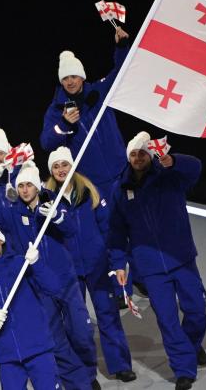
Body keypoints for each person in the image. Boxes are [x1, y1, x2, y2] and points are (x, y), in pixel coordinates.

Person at [0, 160, 96, 389]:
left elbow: (72, 230)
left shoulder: (53, 201)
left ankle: (89, 373)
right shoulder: (13, 212)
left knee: (81, 332)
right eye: (21, 186)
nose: (25, 190)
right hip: (38, 286)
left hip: (64, 280)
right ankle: (79, 381)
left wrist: (57, 217)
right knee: (56, 340)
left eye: (29, 185)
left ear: (37, 186)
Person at [108, 131, 206, 390]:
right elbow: (117, 231)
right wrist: (119, 264)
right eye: (133, 154)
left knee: (196, 309)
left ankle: (192, 345)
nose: (138, 158)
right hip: (150, 267)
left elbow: (195, 167)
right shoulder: (120, 188)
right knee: (166, 319)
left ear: (150, 154)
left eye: (142, 152)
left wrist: (173, 161)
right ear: (127, 157)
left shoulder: (169, 177)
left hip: (181, 256)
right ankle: (184, 368)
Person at [45, 146, 136, 383]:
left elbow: (109, 230)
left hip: (98, 265)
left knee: (108, 315)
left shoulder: (90, 192)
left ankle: (121, 365)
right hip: (69, 271)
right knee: (77, 325)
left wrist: (116, 261)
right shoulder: (47, 198)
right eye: (56, 166)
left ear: (72, 165)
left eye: (64, 164)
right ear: (51, 171)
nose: (61, 169)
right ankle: (86, 373)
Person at [0, 222, 62, 389]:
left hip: (37, 348)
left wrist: (36, 263)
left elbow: (54, 287)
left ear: (1, 240)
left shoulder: (21, 264)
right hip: (6, 355)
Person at [40, 26, 130, 199]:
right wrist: (64, 125)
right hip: (92, 182)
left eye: (73, 76)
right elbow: (46, 143)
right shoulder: (56, 110)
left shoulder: (99, 91)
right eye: (65, 78)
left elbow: (121, 71)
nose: (70, 82)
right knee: (105, 224)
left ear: (82, 77)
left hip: (121, 170)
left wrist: (121, 47)